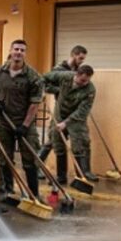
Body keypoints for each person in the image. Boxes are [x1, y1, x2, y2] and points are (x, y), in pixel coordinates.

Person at [0, 39, 44, 202]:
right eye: (16, 49)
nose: (19, 52)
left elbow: (35, 103)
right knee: (5, 159)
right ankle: (8, 191)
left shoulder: (33, 76)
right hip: (3, 122)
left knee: (30, 159)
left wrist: (25, 126)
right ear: (11, 51)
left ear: (25, 53)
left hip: (24, 123)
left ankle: (34, 194)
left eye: (22, 50)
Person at [38, 45, 88, 175]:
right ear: (73, 55)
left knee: (53, 140)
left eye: (83, 59)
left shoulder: (78, 70)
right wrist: (61, 91)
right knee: (51, 139)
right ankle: (37, 166)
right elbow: (47, 85)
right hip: (60, 109)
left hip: (72, 109)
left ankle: (82, 173)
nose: (82, 61)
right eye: (80, 58)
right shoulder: (59, 69)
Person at [43, 64, 97, 183]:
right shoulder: (65, 76)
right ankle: (61, 177)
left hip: (76, 119)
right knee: (58, 145)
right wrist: (43, 89)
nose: (84, 83)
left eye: (87, 81)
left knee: (80, 145)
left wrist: (65, 123)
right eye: (82, 80)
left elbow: (82, 111)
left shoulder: (90, 89)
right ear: (76, 75)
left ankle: (81, 177)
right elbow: (44, 78)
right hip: (59, 115)